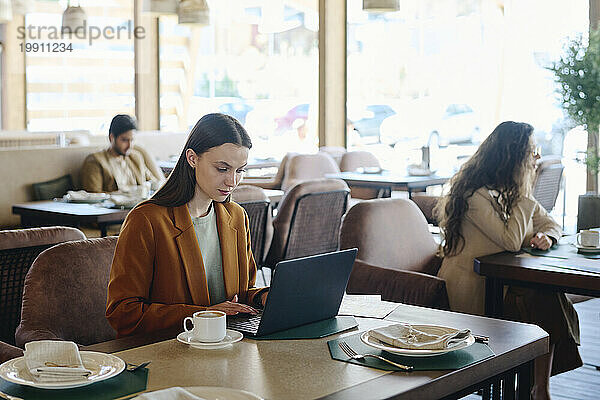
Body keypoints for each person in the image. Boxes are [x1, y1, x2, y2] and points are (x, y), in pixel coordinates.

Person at [435, 121, 581, 400]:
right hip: (475, 286)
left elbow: (551, 223)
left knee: (547, 294)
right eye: (531, 151)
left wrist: (546, 237)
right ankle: (538, 388)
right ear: (512, 156)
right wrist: (525, 194)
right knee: (544, 299)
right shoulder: (474, 194)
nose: (535, 158)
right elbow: (511, 240)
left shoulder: (509, 192)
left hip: (504, 280)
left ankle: (539, 387)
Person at [106, 113, 269, 337]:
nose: (232, 181)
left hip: (227, 347)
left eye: (239, 170)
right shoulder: (146, 220)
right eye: (222, 169)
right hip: (169, 353)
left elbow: (241, 294)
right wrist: (201, 315)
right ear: (192, 158)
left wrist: (264, 296)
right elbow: (123, 313)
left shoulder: (236, 216)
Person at [81, 114, 162, 193]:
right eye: (125, 140)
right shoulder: (95, 161)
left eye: (132, 140)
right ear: (112, 137)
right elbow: (94, 196)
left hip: (139, 205)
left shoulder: (135, 157)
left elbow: (153, 182)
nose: (130, 145)